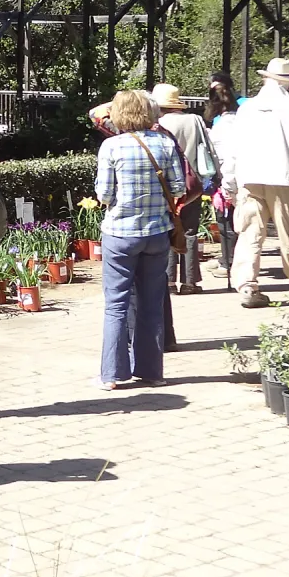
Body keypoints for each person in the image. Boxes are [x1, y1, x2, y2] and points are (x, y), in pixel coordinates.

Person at [94, 90, 186, 390]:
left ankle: (113, 374)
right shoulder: (165, 143)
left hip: (120, 234)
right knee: (151, 304)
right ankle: (151, 372)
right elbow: (178, 187)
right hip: (157, 233)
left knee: (116, 305)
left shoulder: (111, 146)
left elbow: (104, 194)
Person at [219, 57, 289, 308]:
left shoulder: (247, 108)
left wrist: (229, 183)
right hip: (285, 179)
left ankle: (247, 286)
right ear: (287, 82)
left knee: (248, 234)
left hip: (249, 179)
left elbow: (233, 150)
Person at [152, 83, 214, 294]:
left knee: (167, 230)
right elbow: (209, 150)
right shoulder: (195, 120)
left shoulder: (155, 123)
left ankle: (168, 282)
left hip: (165, 185)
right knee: (190, 231)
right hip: (192, 184)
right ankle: (190, 283)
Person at [204, 75, 241, 277]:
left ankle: (229, 264)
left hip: (228, 180)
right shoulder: (243, 121)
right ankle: (229, 260)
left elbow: (222, 159)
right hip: (245, 180)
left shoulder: (220, 129)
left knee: (226, 223)